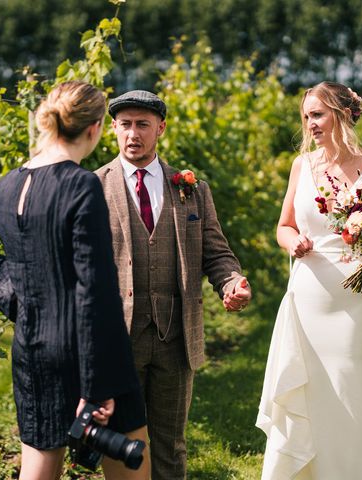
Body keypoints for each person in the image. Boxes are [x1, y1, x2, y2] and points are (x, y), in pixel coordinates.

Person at [0, 81, 150, 480]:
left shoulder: (9, 184)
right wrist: (97, 387)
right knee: (131, 465)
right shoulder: (81, 185)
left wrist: (21, 299)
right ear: (95, 128)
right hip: (89, 353)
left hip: (33, 349)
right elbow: (95, 291)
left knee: (39, 468)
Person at [95, 90, 252, 479]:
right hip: (118, 338)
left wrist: (231, 283)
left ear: (160, 129)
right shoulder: (92, 187)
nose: (133, 134)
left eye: (143, 125)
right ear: (112, 129)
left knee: (171, 444)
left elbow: (215, 253)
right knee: (119, 443)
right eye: (125, 124)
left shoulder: (192, 188)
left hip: (176, 338)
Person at [256, 81, 362, 479]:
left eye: (318, 114)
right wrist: (293, 241)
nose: (310, 124)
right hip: (307, 297)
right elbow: (283, 226)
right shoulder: (303, 166)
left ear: (342, 114)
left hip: (356, 301)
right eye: (306, 116)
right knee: (309, 398)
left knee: (354, 398)